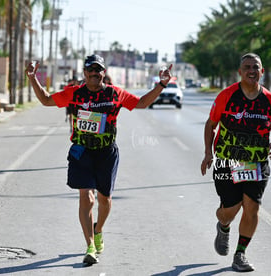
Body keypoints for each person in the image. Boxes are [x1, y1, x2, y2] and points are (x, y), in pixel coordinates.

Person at [26, 54, 172, 265]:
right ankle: (90, 245)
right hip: (82, 151)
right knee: (87, 197)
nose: (95, 73)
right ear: (85, 73)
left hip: (106, 153)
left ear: (104, 72)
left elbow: (141, 103)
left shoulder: (115, 93)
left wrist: (161, 84)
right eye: (91, 70)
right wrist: (32, 77)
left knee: (104, 199)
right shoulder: (75, 93)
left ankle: (99, 229)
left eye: (98, 69)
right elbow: (46, 100)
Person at [200, 53, 271, 272]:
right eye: (247, 67)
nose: (251, 70)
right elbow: (210, 124)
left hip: (256, 164)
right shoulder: (227, 96)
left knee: (252, 207)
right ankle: (223, 225)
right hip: (227, 162)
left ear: (262, 71)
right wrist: (208, 153)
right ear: (240, 72)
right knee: (229, 210)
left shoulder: (269, 100)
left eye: (255, 67)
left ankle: (240, 254)